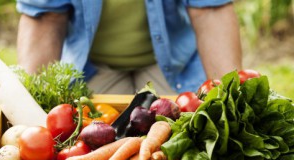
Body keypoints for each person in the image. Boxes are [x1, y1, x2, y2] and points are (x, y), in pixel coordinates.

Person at [16, 0, 242, 95]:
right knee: (92, 147)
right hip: (92, 66)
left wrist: (231, 100)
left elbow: (209, 11)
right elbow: (46, 17)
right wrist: (30, 107)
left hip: (174, 64)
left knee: (190, 145)